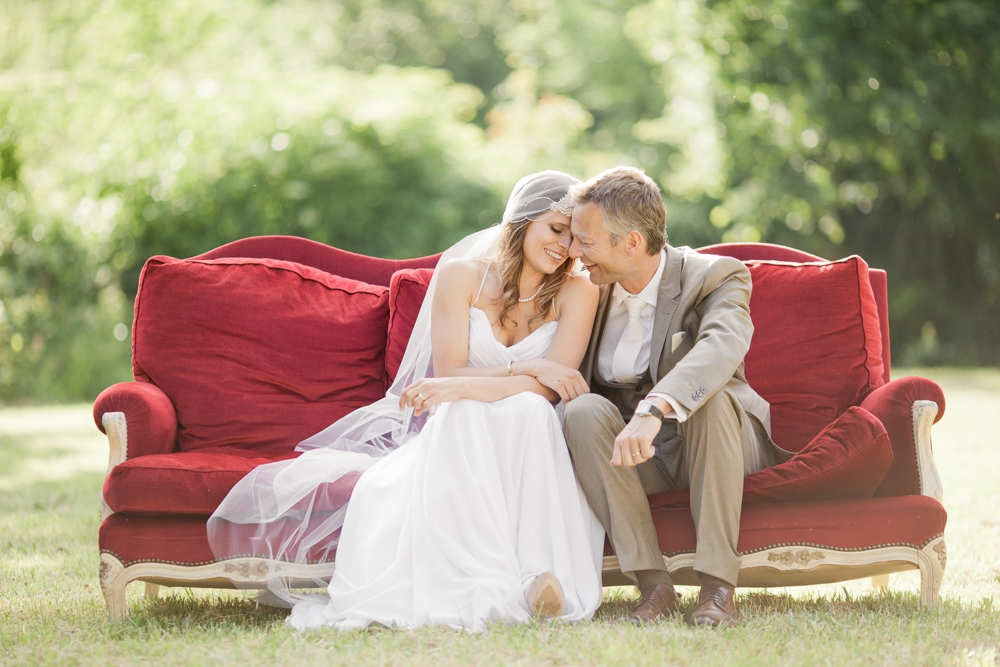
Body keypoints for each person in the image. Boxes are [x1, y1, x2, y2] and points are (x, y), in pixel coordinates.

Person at [208, 171, 606, 631]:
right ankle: (491, 575)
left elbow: (552, 387)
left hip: (532, 435)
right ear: (521, 221)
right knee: (465, 410)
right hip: (465, 428)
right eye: (555, 229)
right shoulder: (462, 276)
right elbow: (455, 372)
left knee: (527, 408)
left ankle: (541, 576)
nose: (564, 247)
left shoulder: (579, 291)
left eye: (574, 238)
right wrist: (524, 368)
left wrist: (478, 383)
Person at [560, 166, 791, 628]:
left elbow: (720, 346)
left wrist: (655, 408)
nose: (574, 251)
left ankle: (717, 588)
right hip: (637, 459)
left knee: (713, 398)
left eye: (585, 241)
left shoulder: (716, 275)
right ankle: (653, 585)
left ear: (632, 242)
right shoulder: (589, 292)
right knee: (582, 411)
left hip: (715, 445)